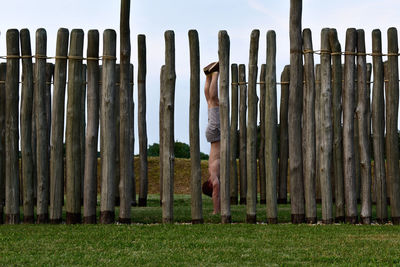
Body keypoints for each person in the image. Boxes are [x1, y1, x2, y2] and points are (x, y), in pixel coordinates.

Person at [202, 61, 220, 214]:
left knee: (214, 100)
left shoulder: (213, 176)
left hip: (215, 134)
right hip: (213, 135)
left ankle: (214, 74)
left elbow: (215, 191)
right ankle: (208, 76)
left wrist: (216, 210)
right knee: (210, 102)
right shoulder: (212, 171)